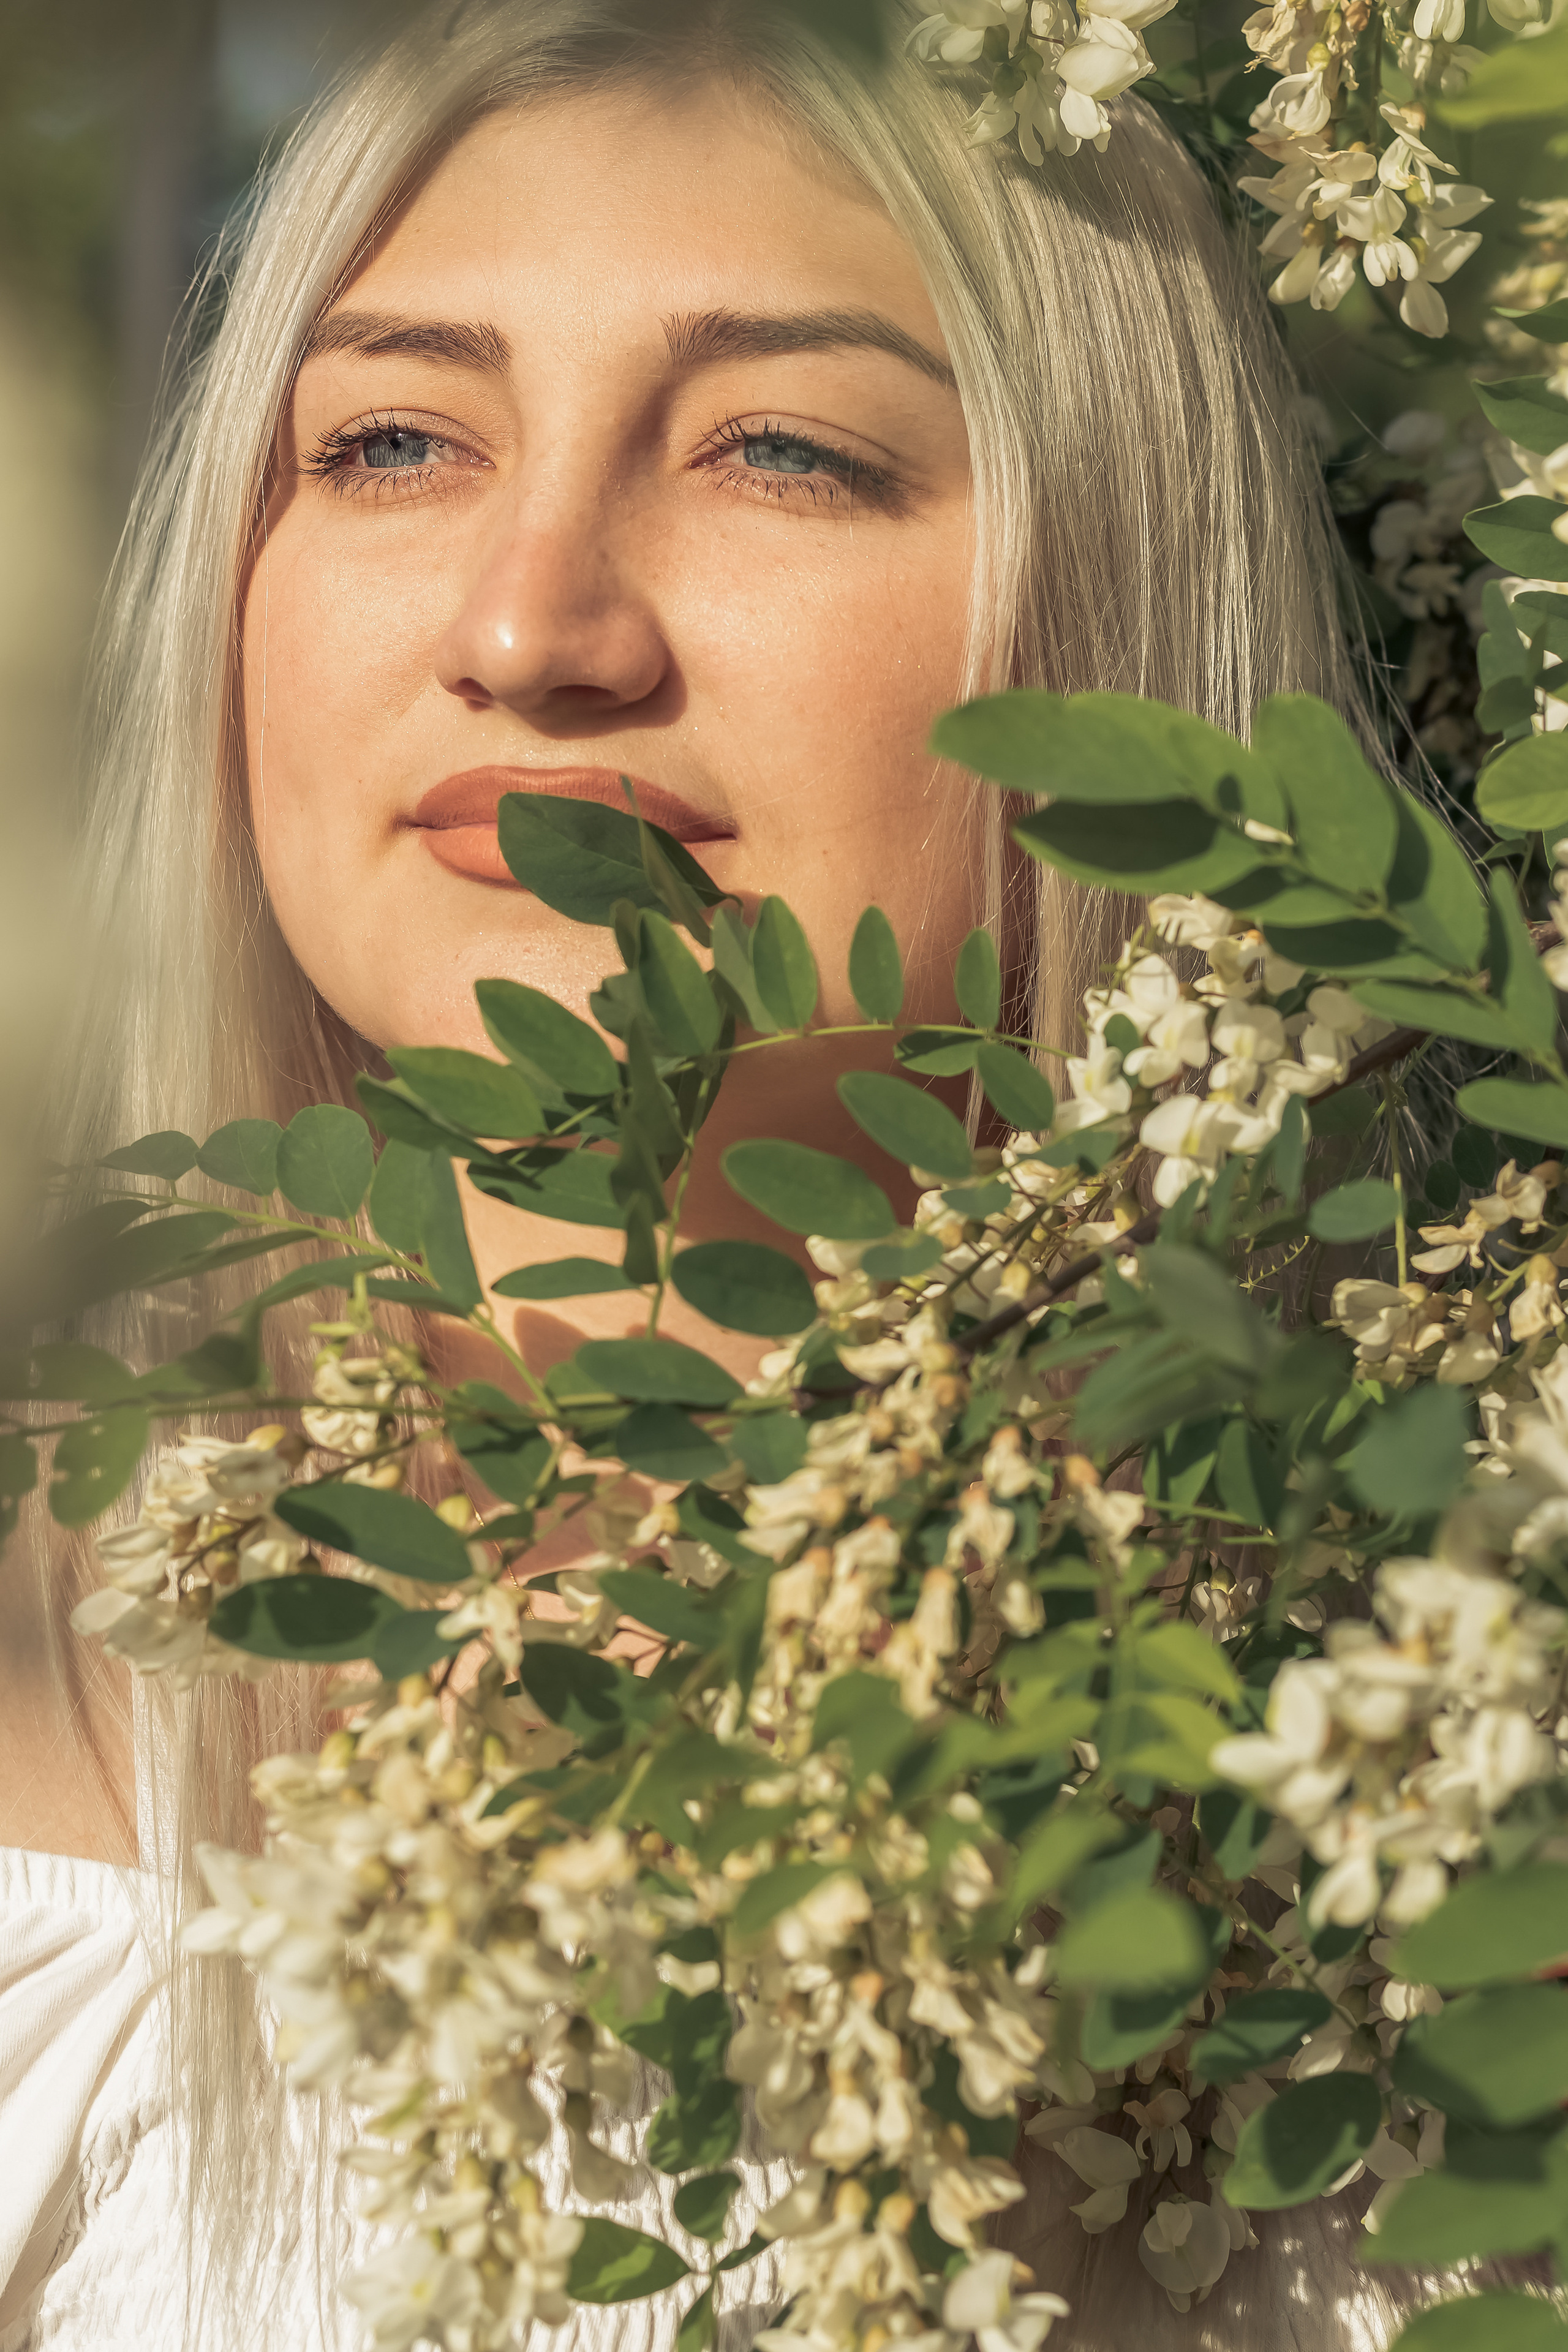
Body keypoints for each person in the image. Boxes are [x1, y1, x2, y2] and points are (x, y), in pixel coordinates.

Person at [0, 1, 1420, 2345]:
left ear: (1130, 619)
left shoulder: (1427, 1761)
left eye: (784, 452)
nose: (530, 628)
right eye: (389, 440)